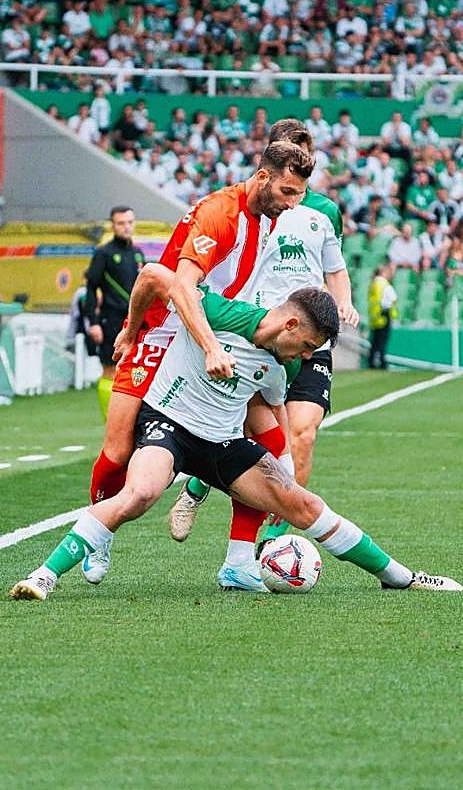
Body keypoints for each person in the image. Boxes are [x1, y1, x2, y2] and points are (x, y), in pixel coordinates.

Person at [9, 269, 462, 601]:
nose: (306, 356)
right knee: (143, 491)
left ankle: (399, 576)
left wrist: (282, 474)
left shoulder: (280, 364)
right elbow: (152, 275)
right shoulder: (220, 312)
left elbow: (273, 412)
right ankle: (45, 575)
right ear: (290, 325)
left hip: (221, 443)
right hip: (169, 424)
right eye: (306, 345)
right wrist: (130, 328)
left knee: (303, 503)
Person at [164, 125, 361, 588]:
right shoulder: (255, 207)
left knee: (301, 436)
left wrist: (342, 301)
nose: (294, 189)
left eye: (305, 157)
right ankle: (201, 489)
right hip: (262, 335)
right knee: (257, 441)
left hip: (309, 339)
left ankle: (271, 545)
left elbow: (335, 269)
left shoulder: (323, 211)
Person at [83, 205, 143, 419]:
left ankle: (128, 420)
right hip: (110, 319)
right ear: (113, 225)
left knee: (134, 370)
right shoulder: (104, 253)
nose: (126, 227)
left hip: (134, 321)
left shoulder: (137, 253)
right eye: (121, 223)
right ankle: (109, 423)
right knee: (110, 369)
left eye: (129, 222)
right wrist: (94, 322)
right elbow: (90, 289)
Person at [367, 260, 397, 369]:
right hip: (384, 314)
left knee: (374, 340)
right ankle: (381, 362)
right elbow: (393, 298)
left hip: (375, 315)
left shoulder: (373, 283)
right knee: (382, 340)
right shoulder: (384, 283)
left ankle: (371, 362)